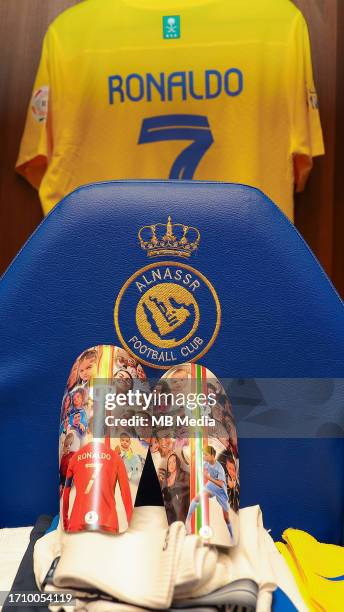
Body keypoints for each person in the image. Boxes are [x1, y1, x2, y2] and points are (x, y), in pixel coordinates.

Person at [186, 445, 233, 538]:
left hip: (220, 490)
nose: (204, 457)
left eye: (206, 455)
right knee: (197, 497)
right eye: (203, 455)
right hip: (211, 486)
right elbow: (199, 463)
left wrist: (208, 478)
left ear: (212, 456)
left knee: (226, 517)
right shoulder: (206, 463)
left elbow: (220, 484)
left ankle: (231, 535)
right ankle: (187, 520)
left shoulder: (220, 469)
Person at [162, 453, 190, 524]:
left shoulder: (184, 475)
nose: (171, 465)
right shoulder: (165, 479)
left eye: (173, 461)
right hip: (168, 511)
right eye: (169, 463)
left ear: (177, 462)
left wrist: (176, 487)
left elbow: (189, 487)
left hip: (180, 509)